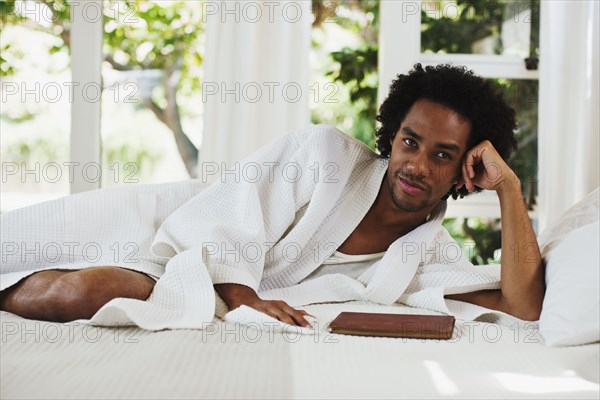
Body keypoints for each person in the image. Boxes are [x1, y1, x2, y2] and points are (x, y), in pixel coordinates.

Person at [0, 64, 544, 328]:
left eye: (443, 155)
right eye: (410, 141)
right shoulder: (325, 154)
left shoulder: (429, 250)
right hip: (186, 241)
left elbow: (523, 306)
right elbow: (236, 214)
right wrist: (246, 298)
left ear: (464, 171)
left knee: (81, 296)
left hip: (219, 293)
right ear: (392, 135)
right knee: (63, 280)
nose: (417, 166)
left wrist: (510, 190)